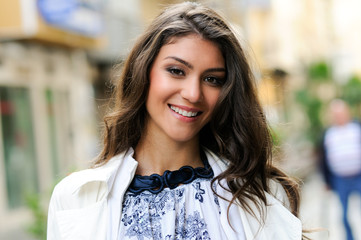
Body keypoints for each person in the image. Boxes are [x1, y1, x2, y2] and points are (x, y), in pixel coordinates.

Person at [47, 2, 303, 239]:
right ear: (143, 72)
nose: (193, 94)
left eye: (212, 79)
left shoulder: (260, 195)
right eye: (176, 71)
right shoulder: (75, 199)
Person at [320, 99, 361, 240]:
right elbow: (323, 160)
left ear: (347, 113)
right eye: (336, 114)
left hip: (358, 176)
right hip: (340, 178)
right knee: (343, 213)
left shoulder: (357, 128)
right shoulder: (329, 134)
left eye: (341, 113)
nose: (339, 116)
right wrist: (326, 181)